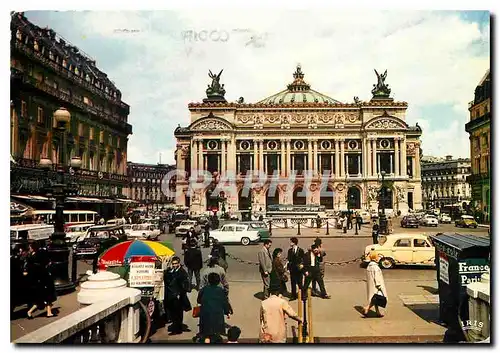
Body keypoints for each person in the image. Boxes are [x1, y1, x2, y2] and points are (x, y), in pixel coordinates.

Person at [25, 242, 57, 319]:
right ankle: (31, 312)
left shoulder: (33, 255)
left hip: (40, 278)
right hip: (41, 278)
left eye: (30, 246)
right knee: (44, 296)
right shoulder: (34, 255)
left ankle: (48, 312)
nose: (29, 248)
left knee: (44, 297)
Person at [197, 273, 231, 338]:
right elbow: (224, 302)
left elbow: (198, 300)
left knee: (205, 334)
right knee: (216, 333)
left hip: (205, 313)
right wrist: (227, 312)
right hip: (217, 314)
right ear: (218, 281)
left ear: (208, 281)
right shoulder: (220, 290)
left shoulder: (204, 289)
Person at [163, 256, 191, 335]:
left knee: (178, 314)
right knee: (173, 313)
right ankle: (176, 327)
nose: (174, 265)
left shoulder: (182, 272)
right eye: (173, 263)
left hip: (178, 297)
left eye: (176, 263)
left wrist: (180, 293)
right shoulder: (170, 271)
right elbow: (166, 279)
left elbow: (185, 285)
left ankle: (177, 329)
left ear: (179, 263)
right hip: (171, 296)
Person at [363, 251, 387, 317]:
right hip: (376, 285)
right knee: (376, 298)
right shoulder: (375, 267)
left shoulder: (369, 266)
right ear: (375, 258)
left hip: (371, 285)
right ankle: (367, 308)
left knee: (376, 298)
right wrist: (379, 286)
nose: (378, 258)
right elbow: (377, 278)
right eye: (377, 257)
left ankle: (377, 312)